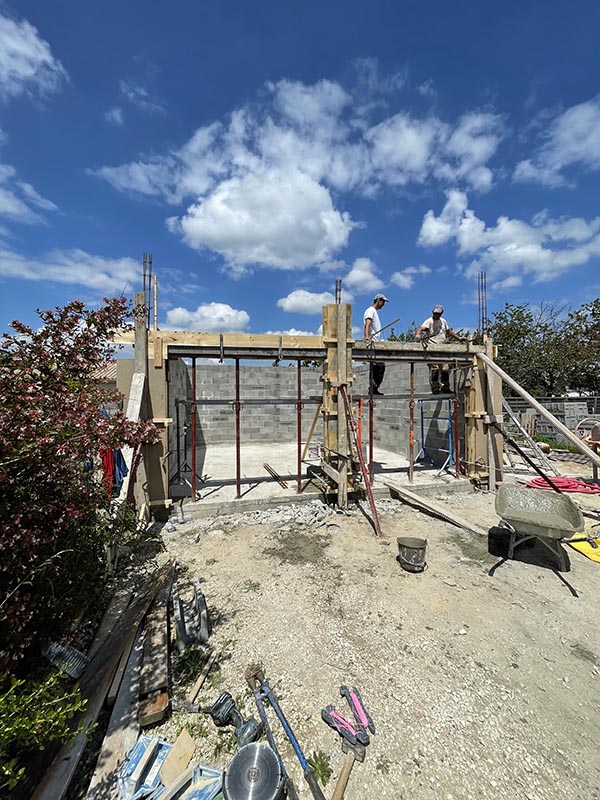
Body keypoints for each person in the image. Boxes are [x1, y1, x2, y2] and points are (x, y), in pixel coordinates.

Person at [416, 305, 462, 394]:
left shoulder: (443, 321)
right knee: (435, 369)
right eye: (435, 313)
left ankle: (445, 388)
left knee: (445, 368)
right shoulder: (429, 321)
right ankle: (435, 388)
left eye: (438, 313)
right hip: (432, 348)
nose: (436, 315)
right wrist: (418, 335)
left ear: (441, 313)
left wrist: (459, 338)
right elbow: (421, 329)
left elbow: (448, 332)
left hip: (442, 349)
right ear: (433, 312)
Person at [363, 293, 389, 395]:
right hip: (372, 343)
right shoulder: (371, 310)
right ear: (378, 300)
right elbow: (367, 323)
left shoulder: (374, 312)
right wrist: (366, 336)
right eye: (383, 302)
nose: (383, 305)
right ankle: (373, 388)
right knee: (379, 366)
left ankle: (373, 388)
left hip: (375, 342)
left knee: (377, 367)